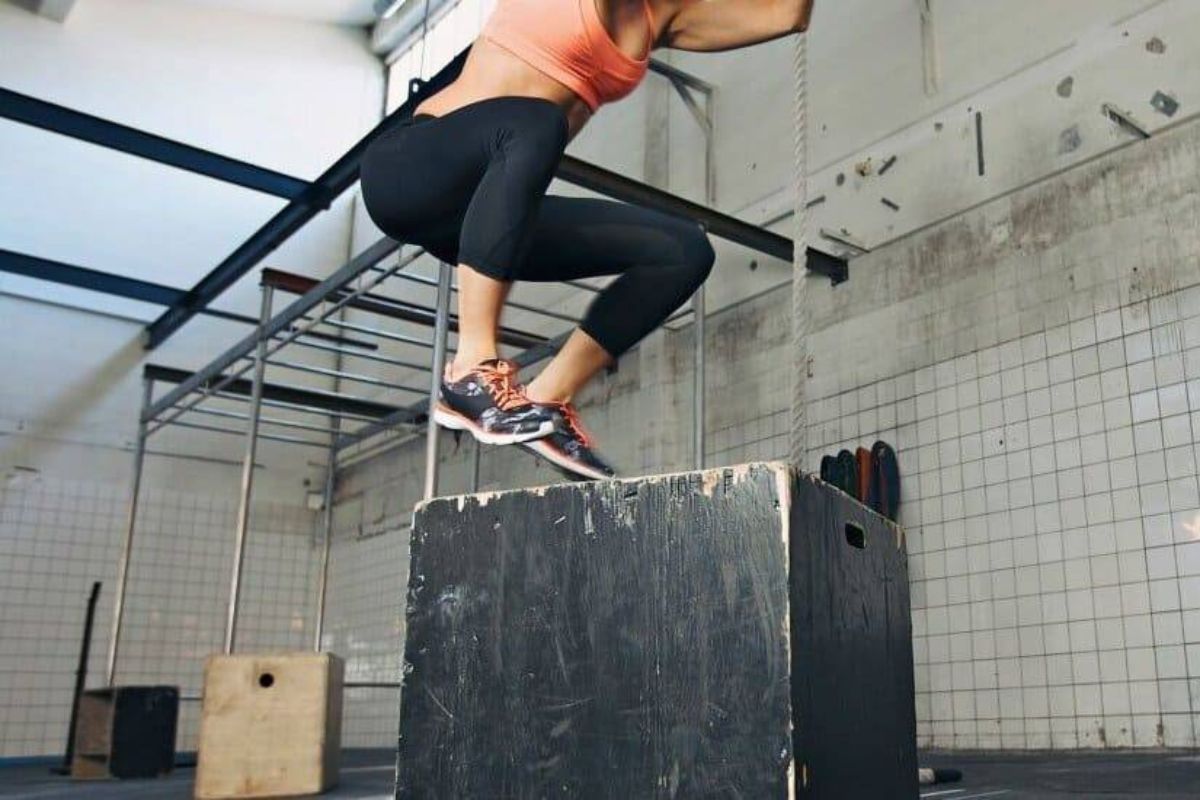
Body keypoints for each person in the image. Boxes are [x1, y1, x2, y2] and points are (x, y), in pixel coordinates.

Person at [360, 0, 815, 481]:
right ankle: (470, 369)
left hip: (482, 216)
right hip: (409, 172)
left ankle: (547, 400)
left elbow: (787, 15)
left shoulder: (661, 19)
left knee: (682, 252)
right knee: (537, 121)